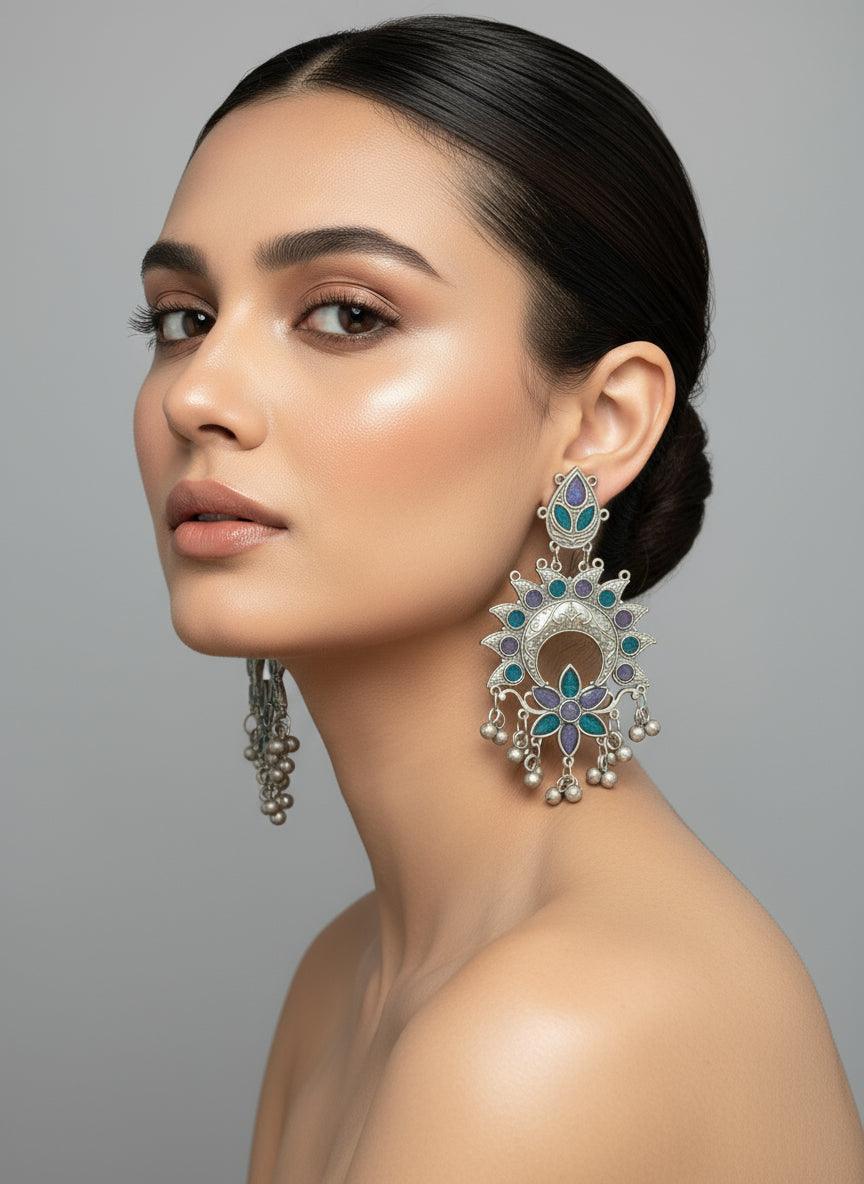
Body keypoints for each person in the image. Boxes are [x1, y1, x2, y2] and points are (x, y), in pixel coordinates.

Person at [132, 15, 864, 1182]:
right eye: (183, 317)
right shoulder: (345, 977)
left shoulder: (544, 1035)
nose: (197, 393)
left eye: (347, 313)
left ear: (599, 422)